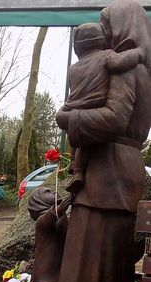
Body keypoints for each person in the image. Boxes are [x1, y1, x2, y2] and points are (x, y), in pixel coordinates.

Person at [54, 0, 151, 282]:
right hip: (112, 173)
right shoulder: (136, 67)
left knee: (93, 261)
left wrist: (69, 118)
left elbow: (113, 118)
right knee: (102, 261)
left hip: (107, 175)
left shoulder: (127, 67)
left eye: (105, 24)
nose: (102, 32)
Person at [59, 22, 143, 193]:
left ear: (77, 47)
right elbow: (119, 62)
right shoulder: (107, 56)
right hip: (95, 105)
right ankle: (78, 170)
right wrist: (138, 53)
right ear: (101, 40)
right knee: (85, 130)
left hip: (70, 109)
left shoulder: (72, 68)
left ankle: (76, 168)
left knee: (79, 135)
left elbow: (73, 89)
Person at [27, 187, 70, 282]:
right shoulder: (42, 221)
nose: (55, 192)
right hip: (44, 277)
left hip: (58, 274)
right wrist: (59, 209)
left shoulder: (61, 218)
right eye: (48, 192)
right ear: (38, 201)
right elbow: (49, 219)